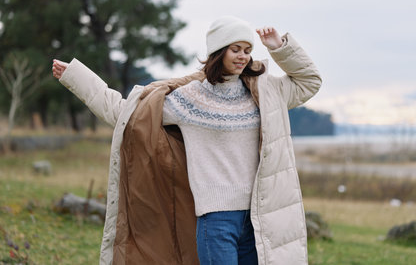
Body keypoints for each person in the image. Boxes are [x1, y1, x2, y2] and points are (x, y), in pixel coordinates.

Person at [52, 16, 321, 265]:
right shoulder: (189, 99)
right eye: (235, 49)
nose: (243, 57)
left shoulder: (264, 91)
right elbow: (124, 113)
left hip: (258, 219)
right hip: (216, 221)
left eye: (247, 50)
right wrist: (77, 78)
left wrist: (280, 47)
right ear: (218, 51)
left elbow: (310, 82)